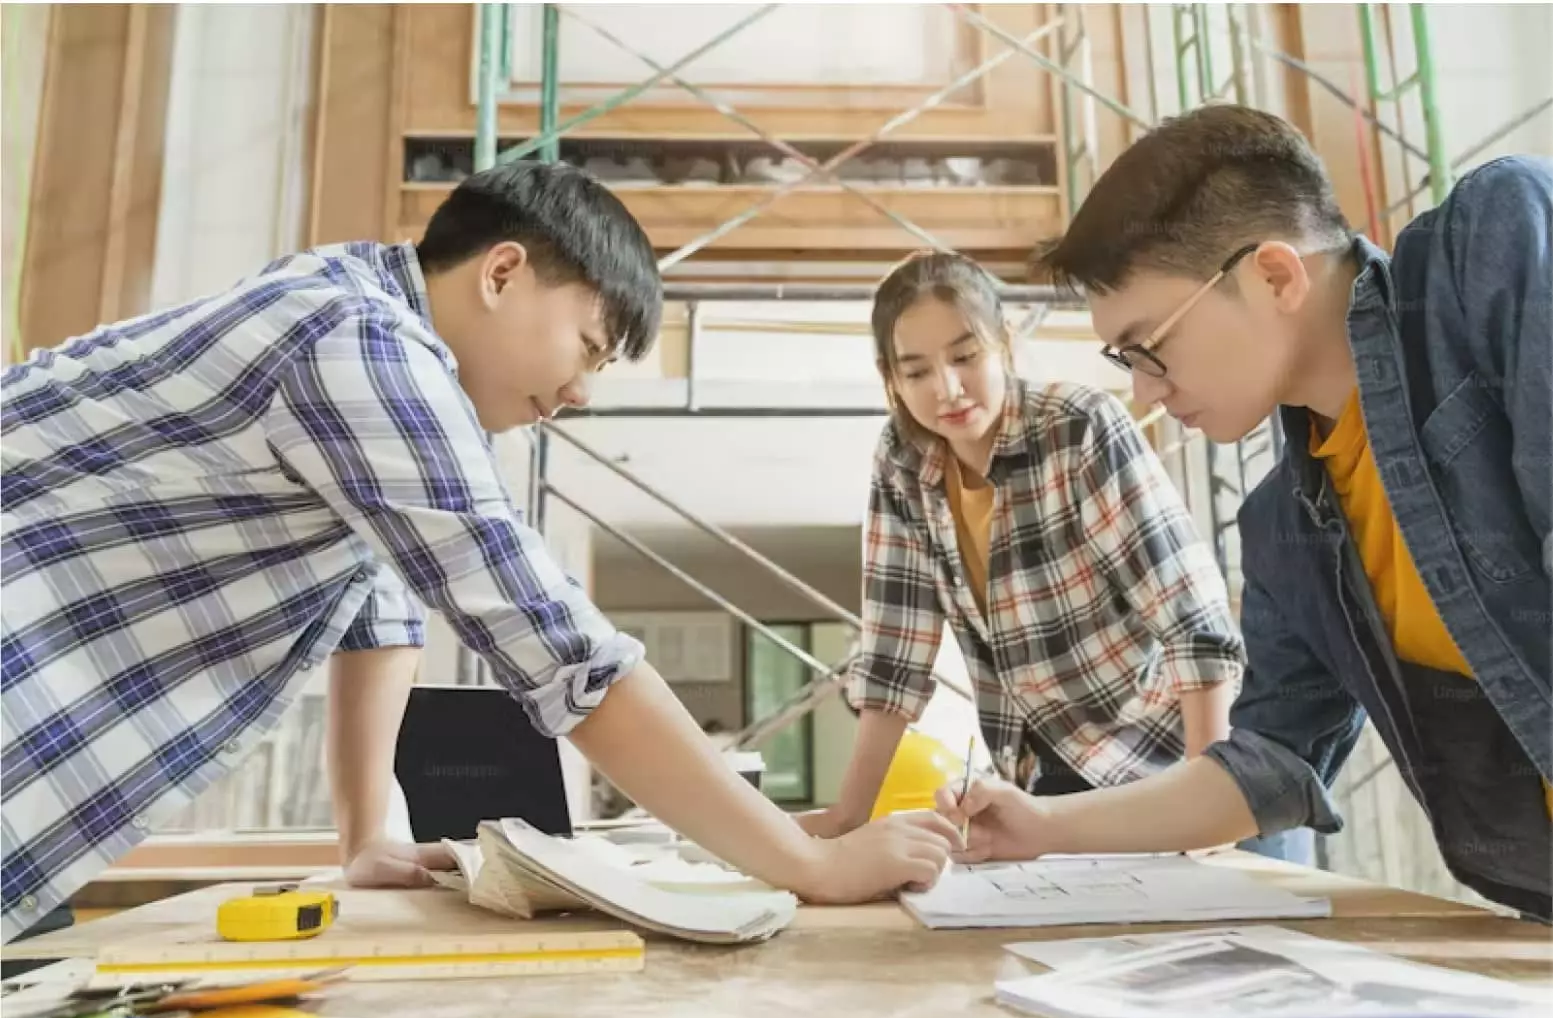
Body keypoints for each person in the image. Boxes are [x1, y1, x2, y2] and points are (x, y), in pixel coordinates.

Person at [0, 160, 962, 945]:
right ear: (502, 274)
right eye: (588, 346)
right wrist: (810, 865)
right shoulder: (363, 346)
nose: (582, 391)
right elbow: (553, 643)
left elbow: (377, 606)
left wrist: (367, 834)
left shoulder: (354, 312)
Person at [936, 104, 1551, 921]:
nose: (1144, 390)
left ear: (1272, 276)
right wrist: (1042, 823)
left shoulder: (1489, 248)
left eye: (1148, 345)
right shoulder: (1283, 529)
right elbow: (1270, 762)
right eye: (1124, 361)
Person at [797, 250, 1296, 854]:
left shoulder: (1078, 427)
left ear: (1004, 343)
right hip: (1054, 784)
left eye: (964, 356)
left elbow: (1192, 621)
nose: (947, 389)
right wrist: (851, 814)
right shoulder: (903, 460)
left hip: (1186, 758)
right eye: (917, 371)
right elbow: (894, 655)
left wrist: (1204, 804)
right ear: (891, 378)